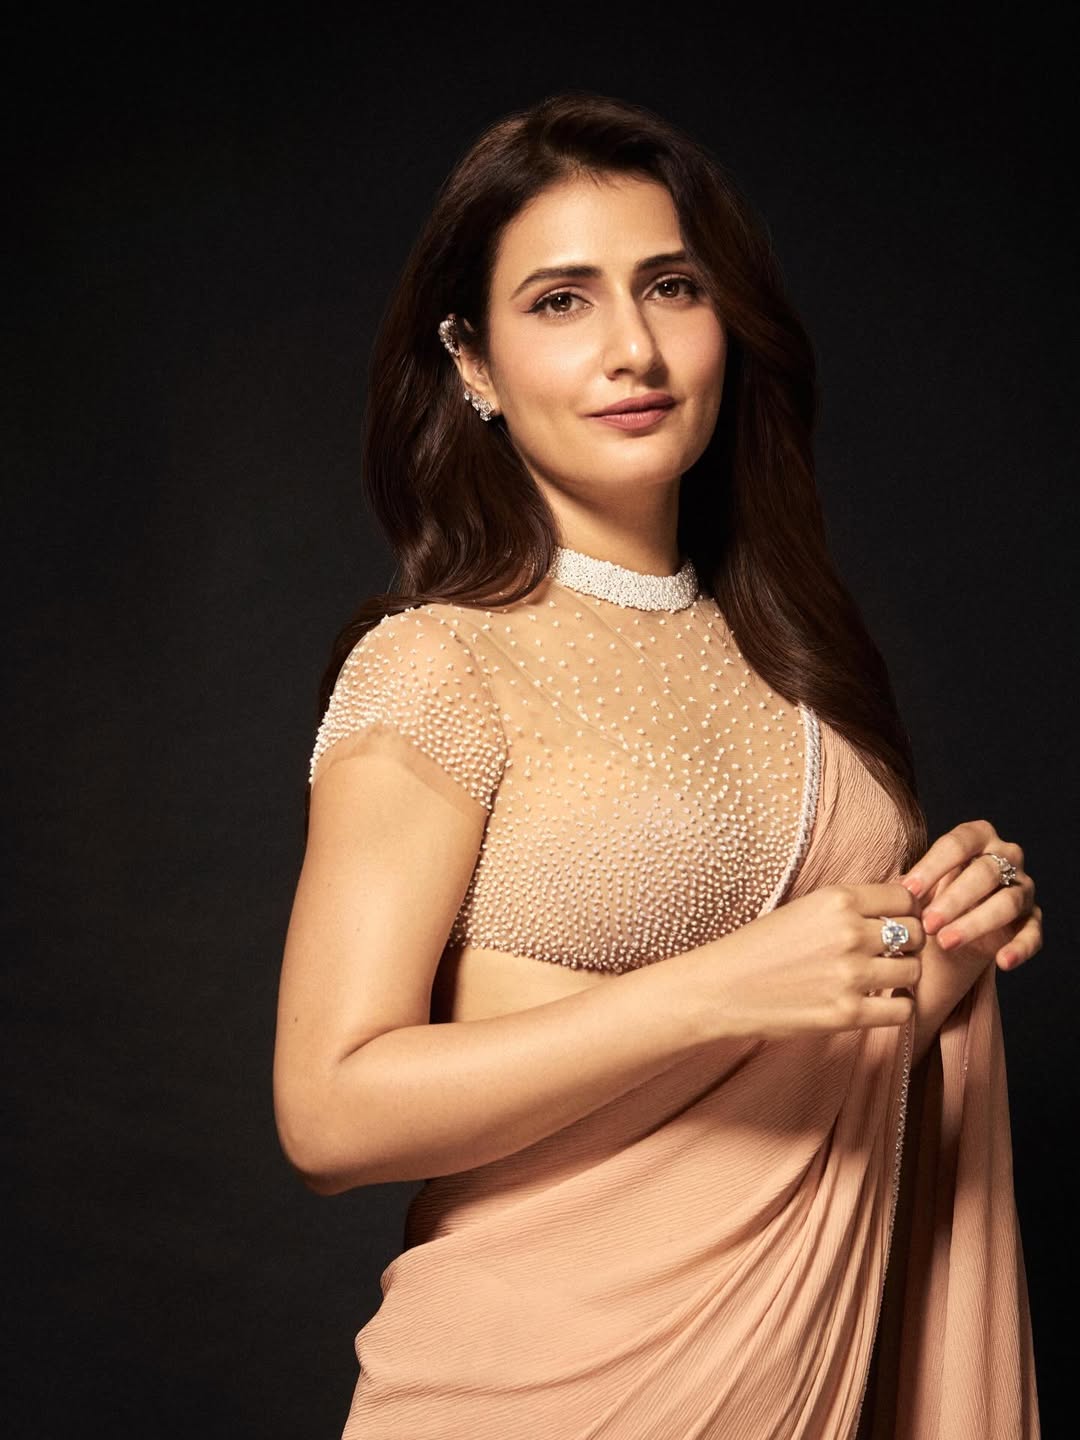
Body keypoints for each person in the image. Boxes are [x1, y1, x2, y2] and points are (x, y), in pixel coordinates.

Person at [272, 91, 1043, 1439]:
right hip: (531, 1392)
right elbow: (329, 1114)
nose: (633, 347)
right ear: (471, 362)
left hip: (794, 1380)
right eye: (561, 301)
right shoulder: (440, 665)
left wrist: (943, 951)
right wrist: (719, 988)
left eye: (671, 287)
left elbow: (786, 1088)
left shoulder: (802, 661)